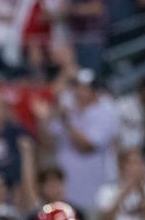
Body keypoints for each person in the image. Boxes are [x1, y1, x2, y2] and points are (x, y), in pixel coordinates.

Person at [44, 69, 119, 216]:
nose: (79, 91)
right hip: (64, 191)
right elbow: (48, 143)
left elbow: (86, 146)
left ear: (95, 90)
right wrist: (49, 115)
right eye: (76, 87)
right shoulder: (68, 111)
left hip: (92, 192)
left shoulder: (105, 113)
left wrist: (66, 122)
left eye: (84, 87)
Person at [95, 148, 145, 220]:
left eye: (140, 163)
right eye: (133, 163)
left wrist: (142, 193)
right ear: (121, 166)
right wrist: (123, 193)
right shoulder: (107, 190)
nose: (138, 167)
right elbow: (105, 218)